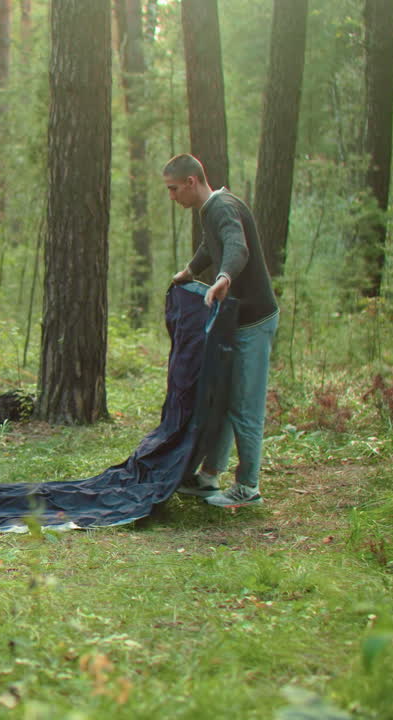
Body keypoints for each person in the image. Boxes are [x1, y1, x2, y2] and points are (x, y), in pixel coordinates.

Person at [163, 154, 279, 507]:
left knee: (245, 404)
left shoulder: (222, 207)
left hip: (254, 320)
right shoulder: (210, 210)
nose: (172, 197)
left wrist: (225, 277)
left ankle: (248, 488)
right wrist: (190, 270)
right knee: (225, 398)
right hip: (236, 321)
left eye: (173, 189)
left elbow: (236, 246)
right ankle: (209, 476)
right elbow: (210, 246)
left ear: (191, 182)